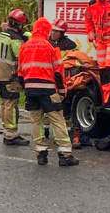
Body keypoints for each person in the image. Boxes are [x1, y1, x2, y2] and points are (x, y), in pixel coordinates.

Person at [17, 17, 78, 167]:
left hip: (31, 90)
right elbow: (58, 72)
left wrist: (26, 88)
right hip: (48, 89)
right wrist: (62, 91)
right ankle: (65, 155)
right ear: (46, 31)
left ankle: (41, 153)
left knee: (36, 121)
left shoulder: (24, 46)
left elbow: (20, 72)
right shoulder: (50, 47)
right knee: (57, 120)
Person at [0, 9, 29, 146]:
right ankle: (11, 134)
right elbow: (21, 56)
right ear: (19, 25)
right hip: (10, 75)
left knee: (5, 103)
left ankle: (6, 128)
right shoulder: (15, 39)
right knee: (11, 104)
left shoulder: (3, 34)